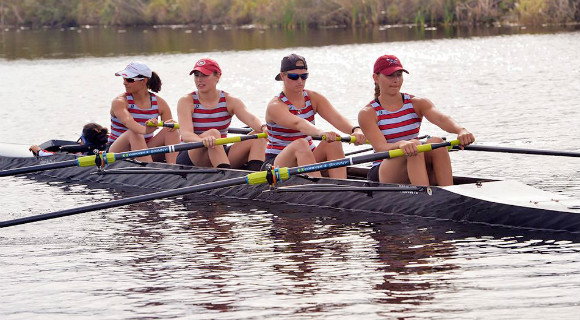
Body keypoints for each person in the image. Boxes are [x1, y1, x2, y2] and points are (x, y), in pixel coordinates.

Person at [358, 54, 475, 186]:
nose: (396, 80)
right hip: (383, 169)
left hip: (413, 159)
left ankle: (450, 192)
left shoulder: (417, 103)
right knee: (416, 146)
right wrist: (401, 144)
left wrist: (461, 130)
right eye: (390, 75)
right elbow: (380, 147)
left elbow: (441, 119)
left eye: (399, 75)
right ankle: (425, 195)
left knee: (437, 142)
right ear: (376, 78)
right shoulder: (368, 113)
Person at [263, 53, 366, 178]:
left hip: (307, 156)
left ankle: (340, 187)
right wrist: (320, 132)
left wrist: (356, 130)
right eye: (294, 76)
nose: (300, 81)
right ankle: (319, 188)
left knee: (334, 141)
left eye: (304, 76)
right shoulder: (276, 105)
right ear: (283, 76)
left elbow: (336, 118)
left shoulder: (313, 98)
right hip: (277, 163)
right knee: (300, 143)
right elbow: (299, 124)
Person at [176, 58, 267, 170]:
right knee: (213, 133)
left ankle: (256, 177)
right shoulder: (186, 101)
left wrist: (264, 127)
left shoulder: (230, 100)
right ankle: (225, 176)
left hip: (219, 152)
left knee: (258, 135)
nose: (199, 79)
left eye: (204, 75)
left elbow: (252, 120)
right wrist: (202, 141)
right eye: (196, 75)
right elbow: (186, 134)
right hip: (192, 155)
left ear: (217, 76)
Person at [108, 61, 180, 163]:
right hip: (118, 151)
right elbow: (129, 123)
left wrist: (173, 126)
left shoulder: (160, 103)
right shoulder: (120, 101)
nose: (124, 82)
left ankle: (175, 171)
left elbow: (172, 131)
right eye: (124, 79)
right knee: (134, 133)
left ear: (144, 81)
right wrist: (147, 130)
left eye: (129, 80)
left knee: (171, 130)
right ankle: (149, 172)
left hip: (144, 149)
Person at [30, 122, 109, 156]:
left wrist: (39, 151)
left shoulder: (78, 154)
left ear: (84, 140)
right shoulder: (110, 148)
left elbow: (52, 156)